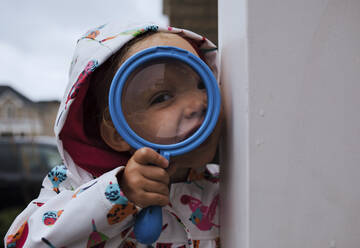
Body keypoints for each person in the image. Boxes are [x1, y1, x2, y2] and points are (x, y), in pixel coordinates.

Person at [5, 22, 223, 248]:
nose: (199, 104)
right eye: (162, 97)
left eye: (202, 84)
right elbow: (21, 243)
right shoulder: (72, 186)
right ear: (118, 132)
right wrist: (119, 193)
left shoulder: (227, 185)